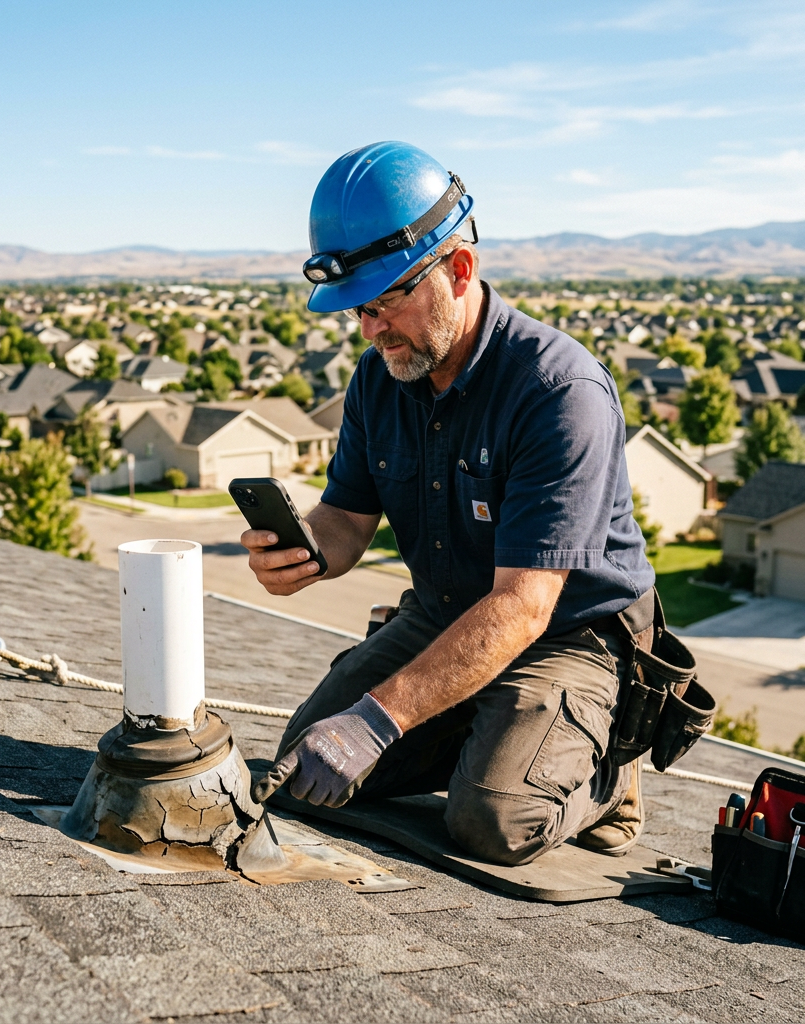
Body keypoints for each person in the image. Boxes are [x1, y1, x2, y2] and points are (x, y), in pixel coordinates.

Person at [243, 141, 657, 867]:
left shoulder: (559, 393)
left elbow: (524, 606)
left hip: (569, 636)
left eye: (385, 302)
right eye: (358, 309)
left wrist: (377, 721)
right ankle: (483, 729)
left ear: (459, 269)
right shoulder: (381, 379)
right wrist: (304, 552)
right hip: (446, 614)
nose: (370, 329)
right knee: (304, 770)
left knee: (495, 820)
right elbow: (346, 519)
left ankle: (606, 773)